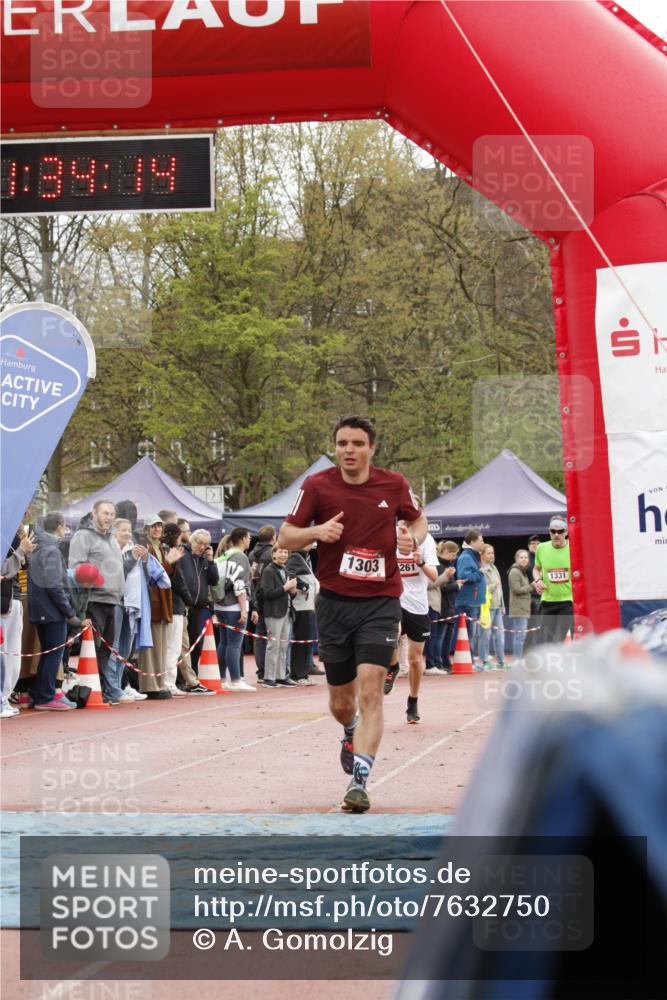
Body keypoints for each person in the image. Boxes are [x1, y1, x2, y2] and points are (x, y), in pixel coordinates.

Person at [278, 413, 427, 814]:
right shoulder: (317, 486)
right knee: (343, 703)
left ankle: (359, 781)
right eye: (342, 443)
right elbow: (285, 536)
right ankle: (349, 730)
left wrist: (411, 538)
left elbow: (418, 519)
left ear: (371, 449)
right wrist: (316, 532)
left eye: (357, 444)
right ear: (335, 447)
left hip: (381, 602)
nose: (349, 450)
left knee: (372, 690)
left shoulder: (393, 484)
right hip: (335, 605)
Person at [68, 498, 126, 704]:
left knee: (107, 648)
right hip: (94, 600)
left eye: (111, 514)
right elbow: (75, 568)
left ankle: (101, 689)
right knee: (93, 646)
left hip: (113, 600)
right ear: (94, 514)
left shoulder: (111, 538)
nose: (109, 518)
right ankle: (90, 691)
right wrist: (96, 580)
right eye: (105, 513)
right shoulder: (83, 536)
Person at [385, 527, 439, 723]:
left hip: (418, 604)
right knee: (393, 631)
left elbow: (434, 576)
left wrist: (421, 562)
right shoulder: (390, 535)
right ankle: (392, 667)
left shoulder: (427, 541)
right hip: (394, 598)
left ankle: (413, 700)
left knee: (415, 659)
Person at [27, 512, 79, 710]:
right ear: (60, 526)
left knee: (48, 653)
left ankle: (42, 694)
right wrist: (68, 611)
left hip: (42, 609)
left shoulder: (40, 547)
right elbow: (54, 585)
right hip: (51, 610)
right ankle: (46, 696)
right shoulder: (51, 550)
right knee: (53, 654)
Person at [213, 527, 256, 691]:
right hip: (234, 605)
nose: (250, 540)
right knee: (234, 644)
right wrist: (243, 609)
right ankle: (237, 680)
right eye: (249, 537)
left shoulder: (223, 556)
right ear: (244, 538)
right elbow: (240, 585)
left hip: (220, 605)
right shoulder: (240, 557)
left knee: (224, 642)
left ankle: (223, 678)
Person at [180, 529, 219, 675]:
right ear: (192, 540)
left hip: (200, 607)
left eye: (205, 544)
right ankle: (182, 678)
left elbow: (214, 580)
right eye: (199, 543)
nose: (201, 547)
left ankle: (193, 675)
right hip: (185, 606)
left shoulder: (204, 559)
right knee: (183, 645)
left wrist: (211, 560)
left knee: (196, 644)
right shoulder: (183, 555)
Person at [260, 544, 296, 688]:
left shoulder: (285, 570)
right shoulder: (269, 570)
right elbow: (267, 594)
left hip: (286, 611)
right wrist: (285, 588)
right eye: (280, 552)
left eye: (286, 552)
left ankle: (281, 675)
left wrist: (292, 591)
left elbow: (287, 594)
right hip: (274, 612)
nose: (283, 555)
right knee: (273, 645)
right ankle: (269, 677)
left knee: (283, 645)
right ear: (273, 554)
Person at [533, 516, 574, 644]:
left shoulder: (574, 548)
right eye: (553, 531)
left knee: (558, 639)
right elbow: (536, 568)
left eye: (560, 531)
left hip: (567, 601)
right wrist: (538, 580)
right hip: (547, 600)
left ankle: (557, 663)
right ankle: (549, 663)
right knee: (546, 641)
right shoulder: (541, 548)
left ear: (566, 532)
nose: (556, 535)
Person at [286, 544, 319, 685]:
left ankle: (302, 673)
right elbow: (289, 574)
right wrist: (302, 586)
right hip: (301, 606)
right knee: (302, 641)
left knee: (306, 641)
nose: (311, 544)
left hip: (307, 606)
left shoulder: (303, 557)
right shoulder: (295, 557)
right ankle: (299, 674)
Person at [454, 529, 487, 669]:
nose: (483, 542)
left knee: (472, 634)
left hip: (474, 601)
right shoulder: (466, 557)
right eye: (481, 540)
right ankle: (470, 662)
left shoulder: (473, 555)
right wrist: (479, 574)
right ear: (472, 542)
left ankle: (471, 660)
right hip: (468, 602)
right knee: (469, 634)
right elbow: (463, 576)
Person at [249, 525, 277, 683]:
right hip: (269, 598)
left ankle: (261, 670)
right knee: (272, 636)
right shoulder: (271, 554)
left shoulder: (252, 553)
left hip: (256, 597)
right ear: (273, 538)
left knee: (260, 636)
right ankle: (270, 671)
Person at [479, 544, 506, 670]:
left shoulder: (494, 568)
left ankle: (501, 661)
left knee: (500, 635)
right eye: (489, 553)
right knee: (485, 634)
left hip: (497, 606)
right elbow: (483, 589)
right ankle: (484, 661)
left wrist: (502, 605)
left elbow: (500, 589)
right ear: (482, 555)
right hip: (487, 607)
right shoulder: (482, 569)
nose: (491, 556)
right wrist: (493, 585)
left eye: (492, 553)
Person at [507, 549, 534, 664]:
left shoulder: (522, 572)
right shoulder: (515, 572)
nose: (524, 560)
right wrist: (532, 586)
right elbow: (516, 590)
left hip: (524, 609)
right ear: (516, 559)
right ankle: (517, 660)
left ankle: (518, 659)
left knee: (521, 636)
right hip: (519, 609)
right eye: (521, 557)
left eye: (526, 558)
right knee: (519, 636)